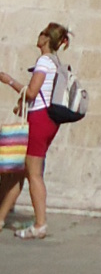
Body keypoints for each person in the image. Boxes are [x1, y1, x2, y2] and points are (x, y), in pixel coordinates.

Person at [0, 22, 71, 240]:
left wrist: (9, 80)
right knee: (20, 171)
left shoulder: (44, 61)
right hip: (46, 120)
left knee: (33, 173)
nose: (38, 37)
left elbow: (31, 92)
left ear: (46, 38)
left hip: (40, 120)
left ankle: (40, 224)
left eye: (41, 33)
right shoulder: (55, 63)